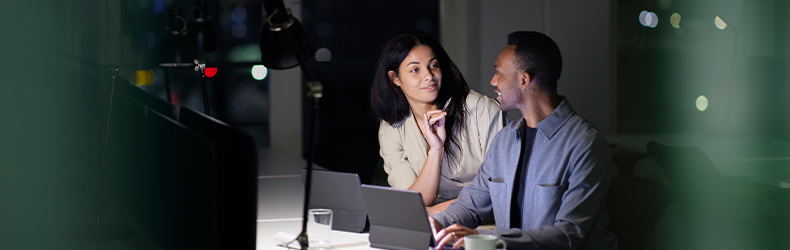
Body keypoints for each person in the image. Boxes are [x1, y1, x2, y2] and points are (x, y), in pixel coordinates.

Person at [430, 31, 618, 249]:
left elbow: (569, 235)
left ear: (524, 80)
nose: (493, 81)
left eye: (499, 73)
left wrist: (489, 239)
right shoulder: (504, 141)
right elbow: (470, 205)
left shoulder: (586, 145)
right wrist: (436, 224)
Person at [371, 31, 505, 215]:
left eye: (433, 65)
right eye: (415, 70)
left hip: (482, 224)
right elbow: (414, 201)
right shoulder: (392, 127)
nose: (429, 76)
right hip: (428, 224)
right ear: (395, 79)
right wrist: (435, 151)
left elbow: (499, 192)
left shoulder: (482, 110)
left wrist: (432, 213)